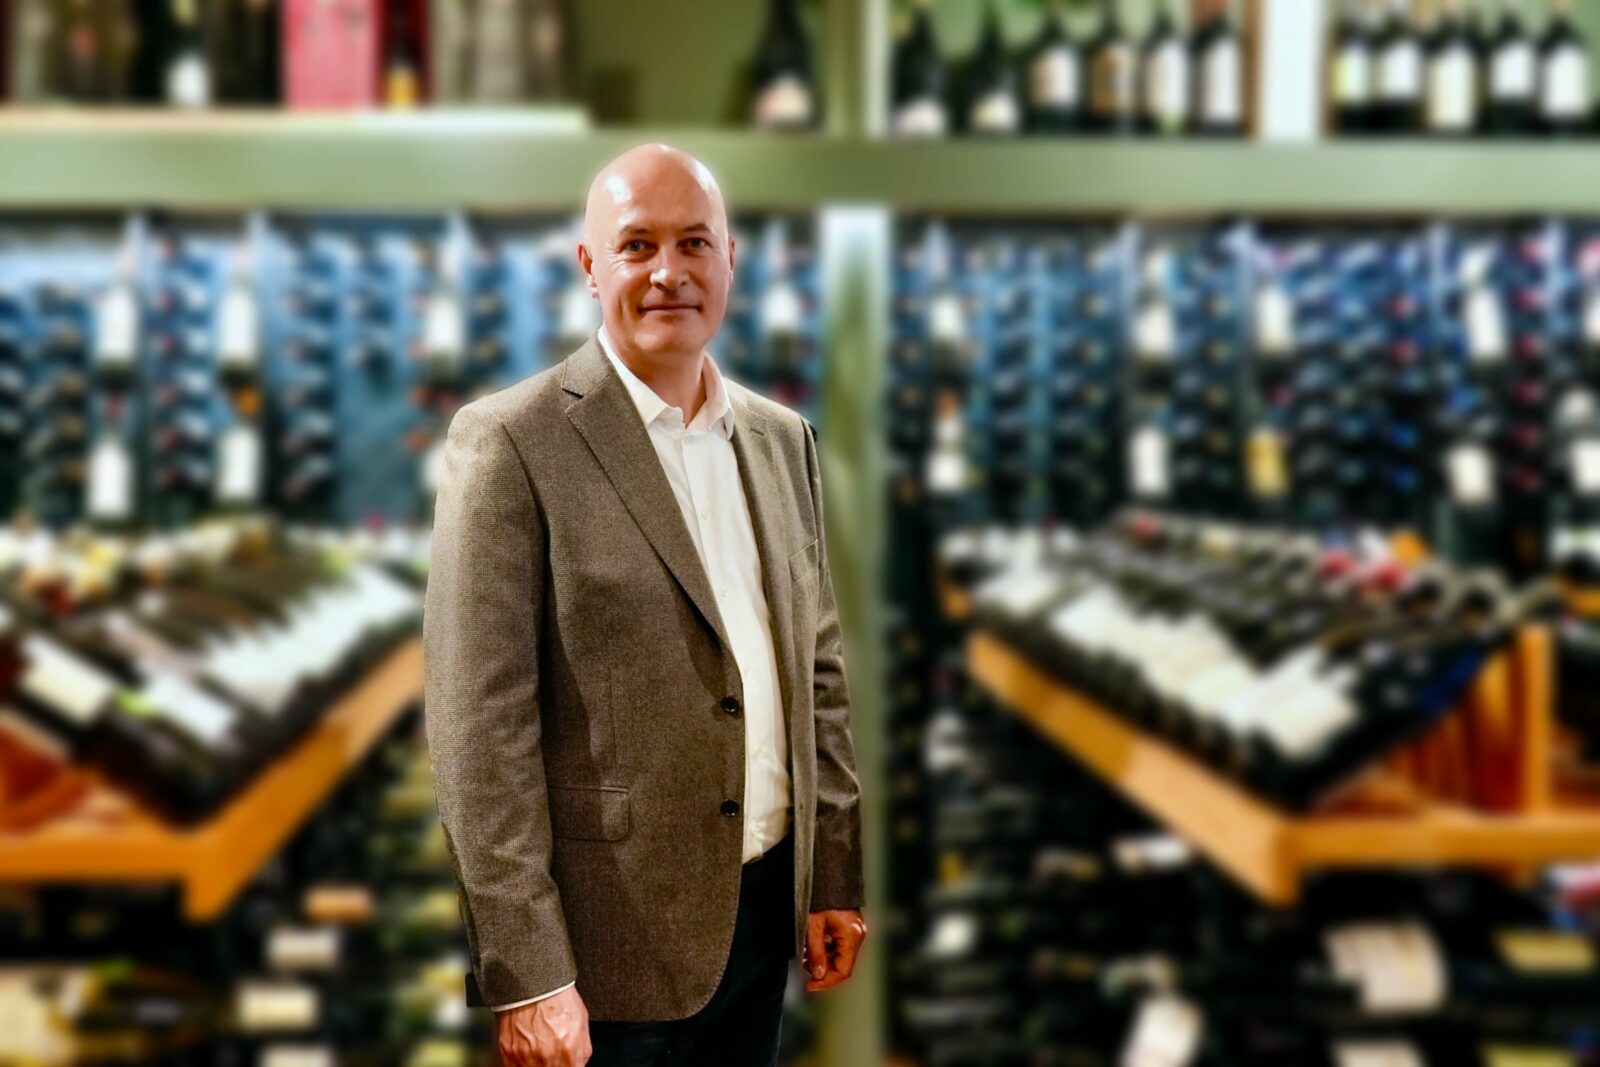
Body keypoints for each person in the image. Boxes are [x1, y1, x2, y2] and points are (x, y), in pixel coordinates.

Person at [423, 143, 867, 1067]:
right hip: (604, 959)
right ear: (591, 266)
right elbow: (478, 732)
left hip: (759, 919)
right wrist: (528, 975)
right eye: (637, 246)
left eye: (694, 242)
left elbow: (816, 666)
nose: (669, 272)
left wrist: (831, 868)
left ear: (730, 260)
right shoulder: (511, 441)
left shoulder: (783, 440)